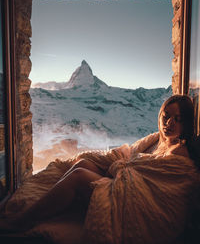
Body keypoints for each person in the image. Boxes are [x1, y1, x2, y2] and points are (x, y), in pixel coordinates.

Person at [0, 94, 199, 231]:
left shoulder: (179, 152)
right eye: (166, 116)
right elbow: (132, 156)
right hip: (125, 181)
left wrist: (119, 169)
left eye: (178, 119)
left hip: (130, 198)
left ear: (187, 123)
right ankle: (53, 204)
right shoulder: (157, 139)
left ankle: (23, 221)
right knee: (83, 164)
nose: (169, 123)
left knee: (79, 176)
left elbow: (150, 186)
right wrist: (113, 163)